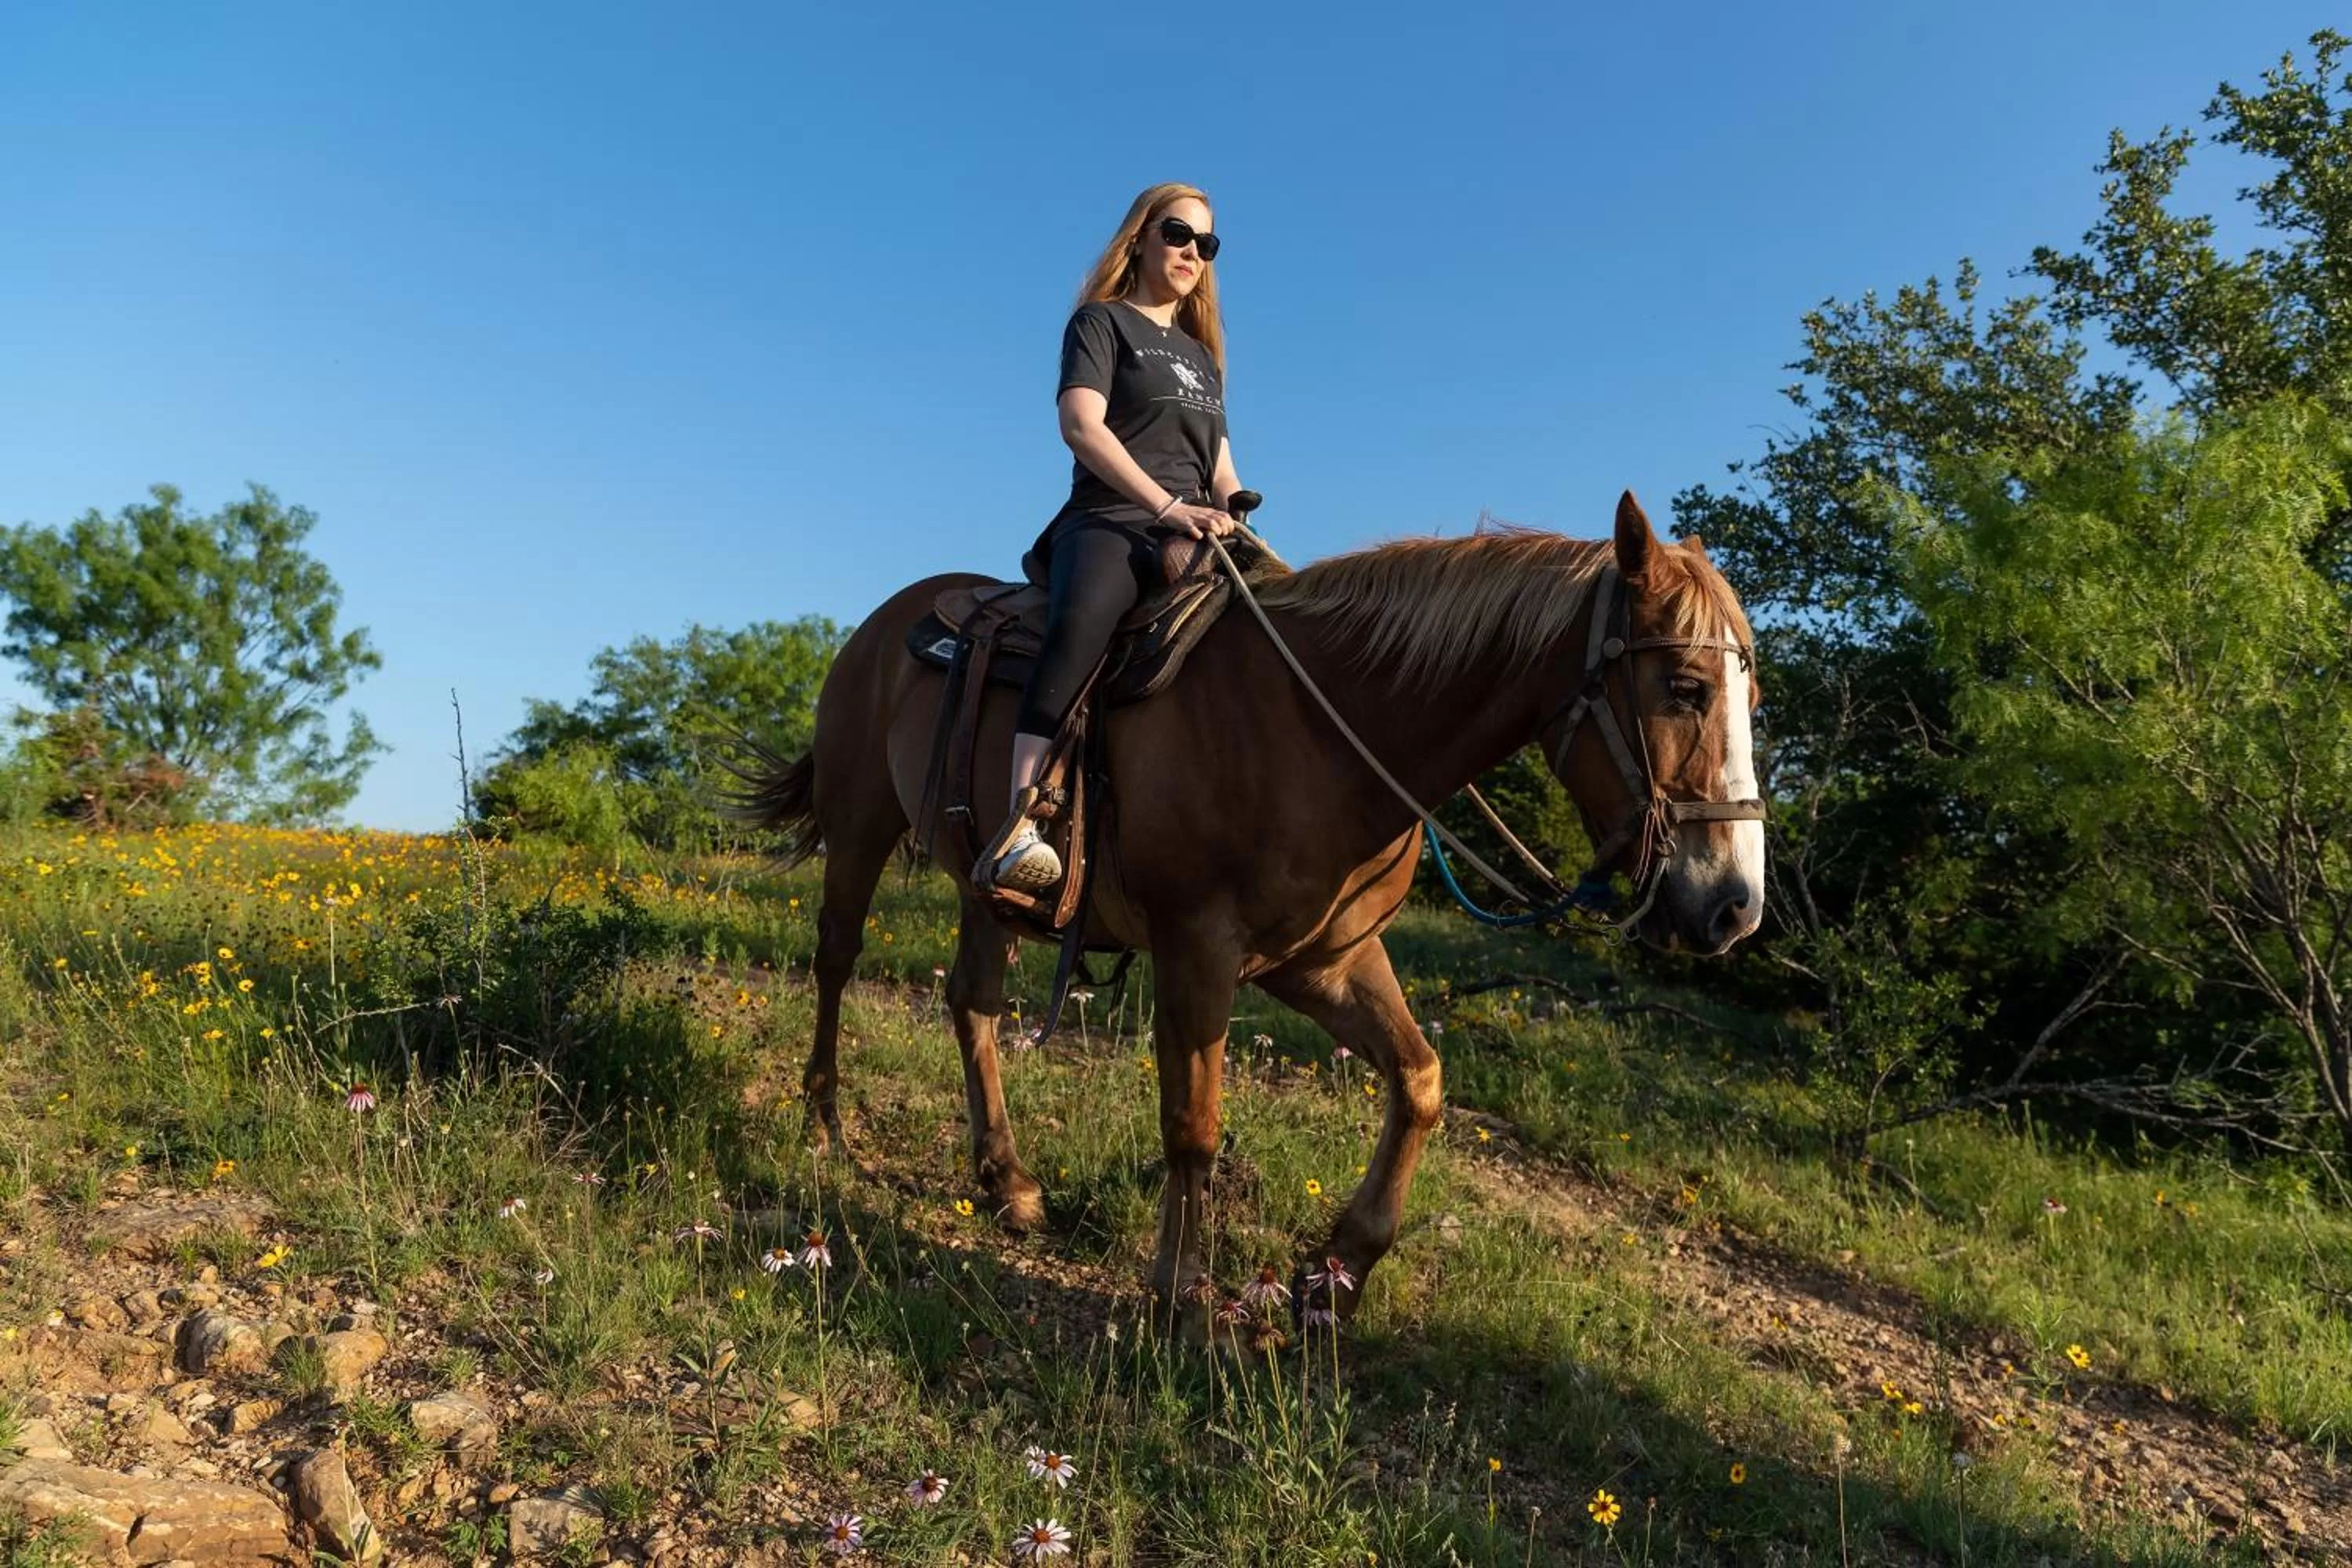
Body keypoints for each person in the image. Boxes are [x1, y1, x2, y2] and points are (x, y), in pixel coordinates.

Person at [985, 182, 1245, 893]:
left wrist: (1237, 513)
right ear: (1140, 238)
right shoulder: (1102, 325)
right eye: (1179, 234)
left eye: (1207, 244)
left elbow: (1221, 468)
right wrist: (1166, 506)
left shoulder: (1203, 359)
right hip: (1112, 521)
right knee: (1084, 623)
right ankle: (1022, 823)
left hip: (1197, 529)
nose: (1194, 253)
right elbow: (1082, 427)